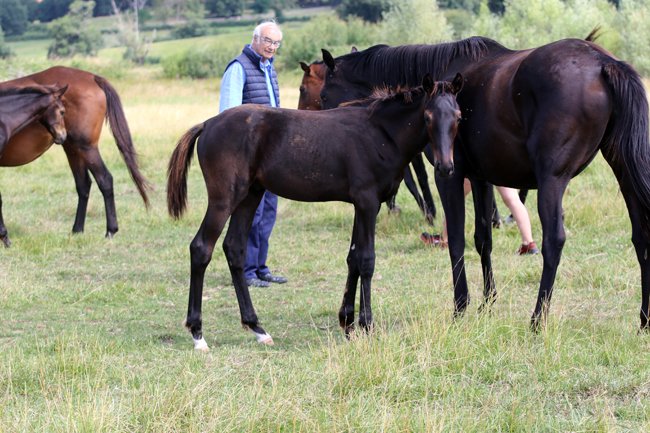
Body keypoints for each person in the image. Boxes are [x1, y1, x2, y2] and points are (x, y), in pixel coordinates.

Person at [219, 20, 288, 288]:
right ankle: (246, 271)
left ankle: (260, 267)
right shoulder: (238, 68)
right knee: (250, 212)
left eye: (276, 43)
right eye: (268, 41)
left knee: (268, 211)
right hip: (248, 157)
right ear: (255, 39)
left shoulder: (269, 68)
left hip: (270, 156)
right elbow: (228, 116)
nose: (272, 47)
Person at [421, 181, 539, 255]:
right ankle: (529, 243)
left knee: (455, 196)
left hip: (479, 160)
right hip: (499, 159)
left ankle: (446, 239)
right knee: (512, 198)